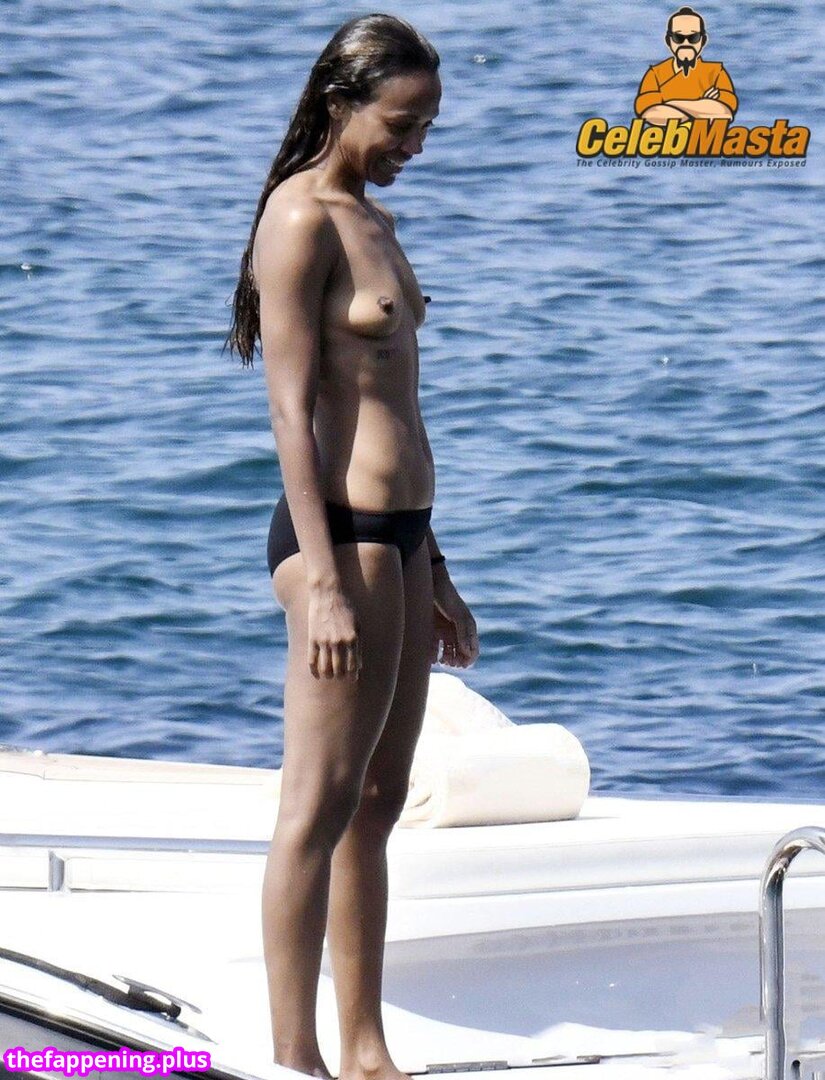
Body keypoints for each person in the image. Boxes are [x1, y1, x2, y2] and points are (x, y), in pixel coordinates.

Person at [225, 14, 480, 1080]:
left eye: (426, 128)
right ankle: (297, 1059)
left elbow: (396, 406)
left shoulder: (374, 219)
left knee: (377, 803)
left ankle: (366, 1049)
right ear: (342, 102)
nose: (413, 145)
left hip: (403, 540)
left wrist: (439, 568)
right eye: (401, 124)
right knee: (318, 805)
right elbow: (292, 414)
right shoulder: (299, 219)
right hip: (337, 538)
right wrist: (324, 584)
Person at [634, 7, 738, 126]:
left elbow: (724, 113)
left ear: (703, 40)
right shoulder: (656, 74)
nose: (686, 43)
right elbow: (649, 114)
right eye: (678, 38)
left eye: (693, 38)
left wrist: (670, 103)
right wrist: (703, 107)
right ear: (668, 40)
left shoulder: (716, 72)